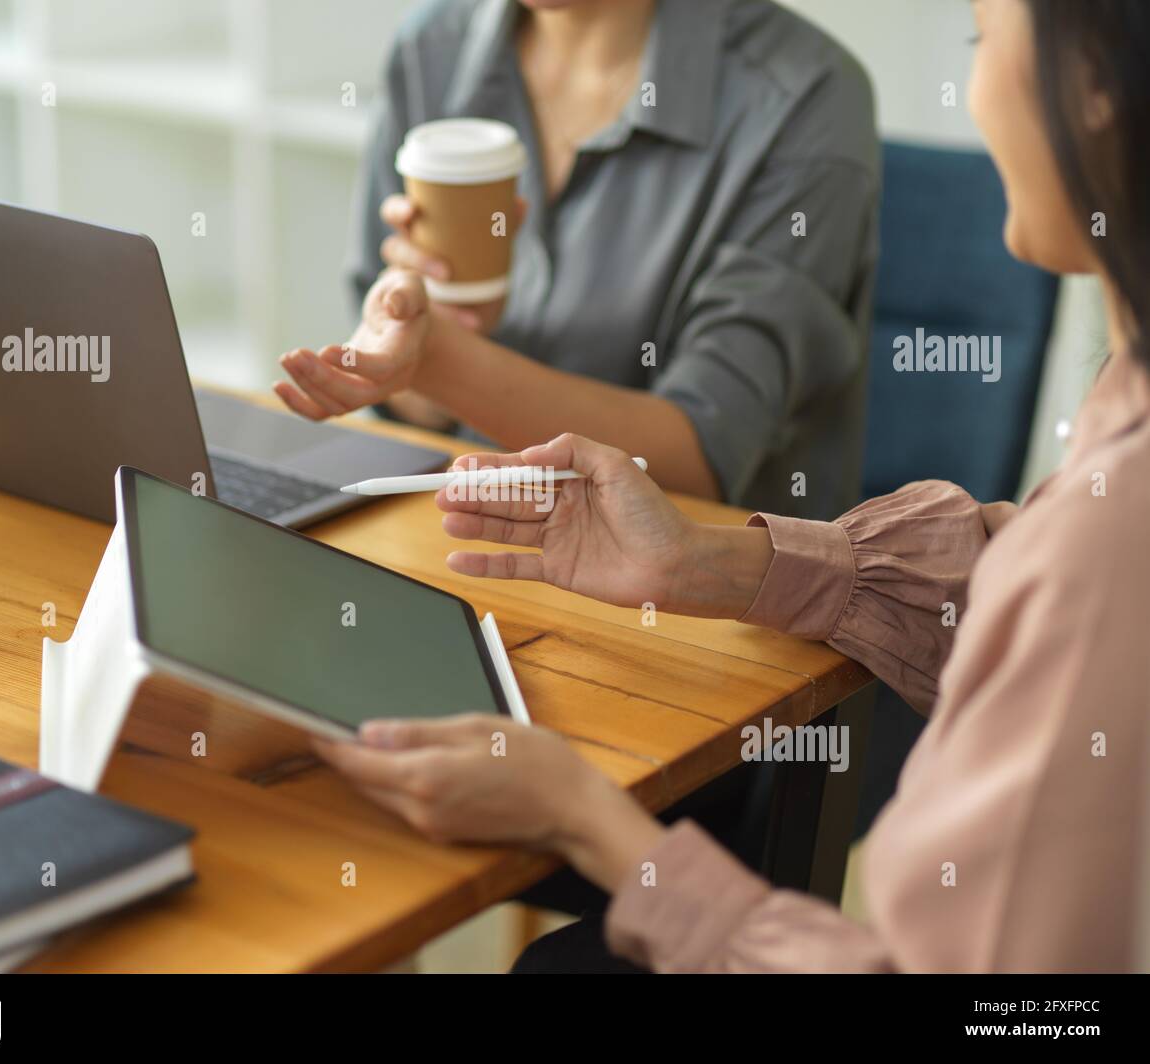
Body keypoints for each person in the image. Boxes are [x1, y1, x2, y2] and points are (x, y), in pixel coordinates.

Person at [314, 0, 1150, 972]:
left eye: (979, 38)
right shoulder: (1117, 417)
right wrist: (705, 558)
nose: (971, 87)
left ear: (1094, 84)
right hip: (537, 598)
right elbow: (1013, 563)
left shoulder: (1109, 538)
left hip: (723, 701)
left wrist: (591, 823)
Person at [275, 0, 880, 518]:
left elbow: (704, 463)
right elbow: (415, 417)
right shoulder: (433, 49)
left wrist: (440, 358)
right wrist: (435, 334)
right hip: (460, 540)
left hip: (707, 620)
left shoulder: (804, 94)